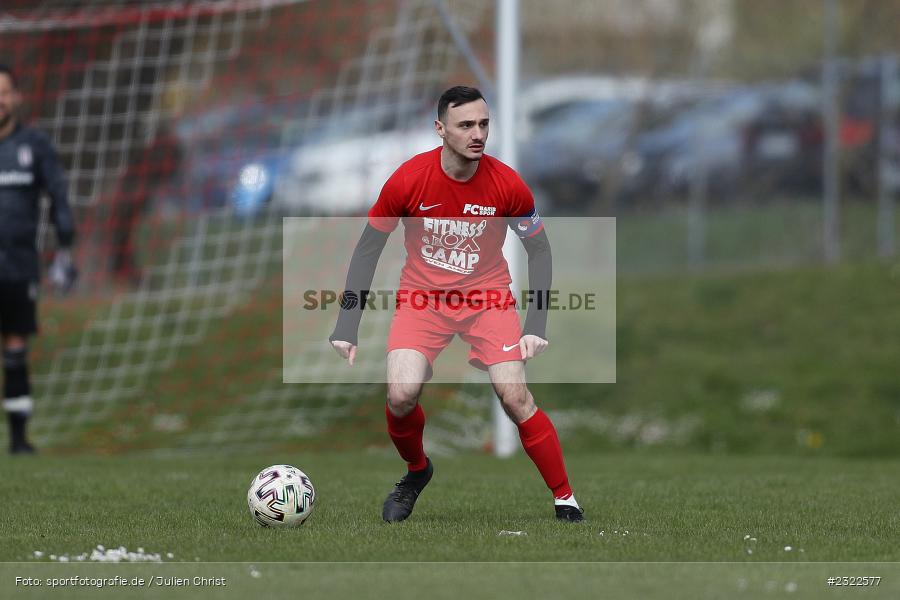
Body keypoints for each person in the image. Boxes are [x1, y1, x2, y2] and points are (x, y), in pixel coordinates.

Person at [330, 86, 583, 522]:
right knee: (401, 395)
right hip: (422, 301)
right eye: (466, 125)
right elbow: (369, 247)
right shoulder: (409, 179)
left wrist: (535, 324)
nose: (477, 134)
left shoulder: (507, 184)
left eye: (483, 124)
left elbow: (540, 250)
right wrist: (346, 323)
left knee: (515, 396)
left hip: (488, 300)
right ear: (440, 129)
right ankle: (417, 471)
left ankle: (565, 499)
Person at [0, 64, 77, 454]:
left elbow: (59, 196)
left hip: (18, 265)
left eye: (3, 92)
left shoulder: (35, 145)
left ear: (16, 97)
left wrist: (65, 249)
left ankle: (18, 441)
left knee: (15, 345)